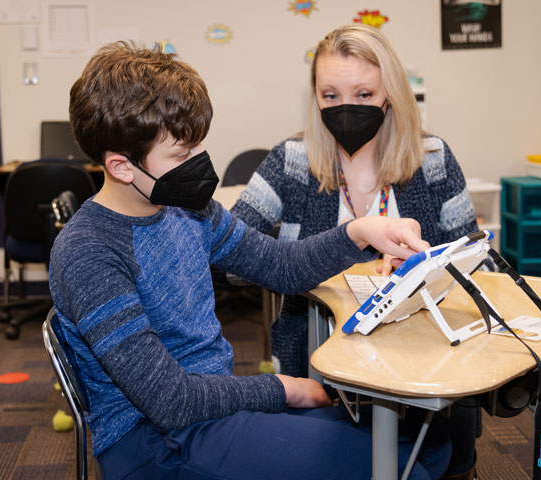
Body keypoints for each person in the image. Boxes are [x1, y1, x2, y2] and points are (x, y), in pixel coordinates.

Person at [49, 42, 452, 479]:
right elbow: (168, 399)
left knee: (429, 445)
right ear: (122, 167)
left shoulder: (190, 211)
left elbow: (280, 267)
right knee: (400, 468)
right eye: (182, 156)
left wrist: (361, 231)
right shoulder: (88, 252)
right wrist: (284, 389)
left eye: (198, 146)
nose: (199, 163)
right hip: (154, 440)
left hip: (211, 410)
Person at [230, 25, 480, 479]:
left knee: (446, 459)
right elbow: (231, 258)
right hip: (318, 356)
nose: (347, 109)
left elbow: (473, 263)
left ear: (392, 96)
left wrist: (426, 265)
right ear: (315, 98)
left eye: (364, 94)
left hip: (426, 354)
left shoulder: (434, 158)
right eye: (330, 95)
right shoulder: (291, 161)